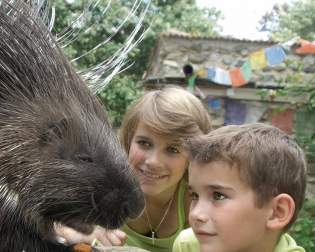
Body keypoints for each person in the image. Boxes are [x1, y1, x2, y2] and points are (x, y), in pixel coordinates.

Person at [56, 86, 212, 252]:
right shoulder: (98, 183)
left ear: (192, 157)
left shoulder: (200, 203)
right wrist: (76, 232)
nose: (153, 162)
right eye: (144, 143)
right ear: (129, 141)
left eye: (172, 149)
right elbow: (43, 219)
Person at [173, 123, 307, 252]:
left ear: (277, 212)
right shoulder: (189, 246)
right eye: (195, 195)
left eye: (218, 195)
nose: (196, 214)